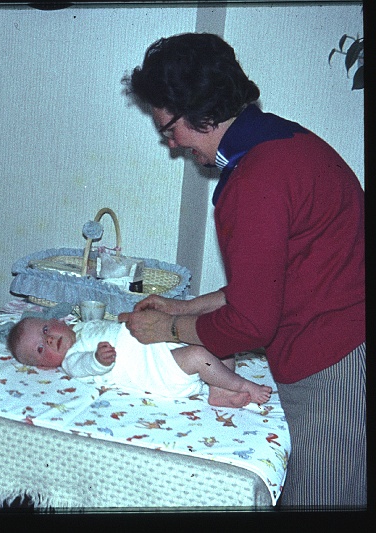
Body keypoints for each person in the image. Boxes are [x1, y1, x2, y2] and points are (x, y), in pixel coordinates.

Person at [118, 33, 365, 509]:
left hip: (335, 358)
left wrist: (167, 327)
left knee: (321, 500)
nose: (171, 144)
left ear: (199, 110)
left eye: (169, 129)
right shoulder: (283, 140)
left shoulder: (255, 182)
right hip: (347, 343)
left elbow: (251, 322)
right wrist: (185, 306)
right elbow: (269, 281)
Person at [7, 316, 272, 407]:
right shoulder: (72, 361)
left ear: (56, 321)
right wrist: (99, 360)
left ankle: (218, 391)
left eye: (45, 331)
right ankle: (241, 385)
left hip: (158, 348)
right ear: (44, 366)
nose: (51, 340)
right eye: (42, 349)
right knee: (200, 357)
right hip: (156, 371)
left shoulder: (84, 327)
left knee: (222, 343)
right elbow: (87, 365)